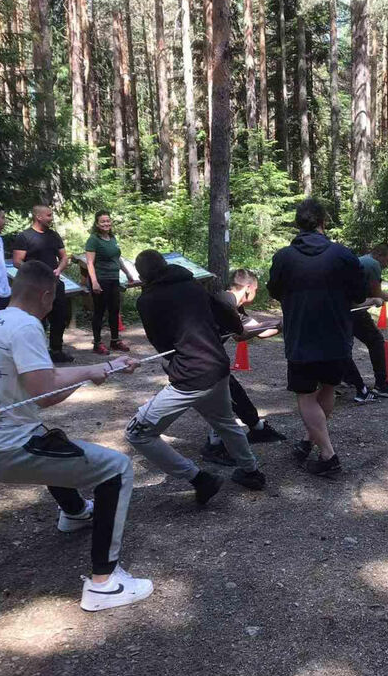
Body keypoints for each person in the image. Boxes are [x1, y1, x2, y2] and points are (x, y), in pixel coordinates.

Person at [0, 261, 149, 612]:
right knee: (117, 469)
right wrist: (94, 372)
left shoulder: (1, 319)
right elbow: (45, 394)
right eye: (54, 299)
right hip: (8, 448)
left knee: (57, 442)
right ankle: (104, 585)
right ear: (46, 295)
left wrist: (103, 368)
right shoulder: (26, 327)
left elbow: (38, 381)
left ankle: (76, 512)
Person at [125, 251, 266, 499]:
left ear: (141, 275)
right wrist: (236, 327)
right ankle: (251, 471)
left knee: (137, 433)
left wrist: (177, 363)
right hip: (218, 367)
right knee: (224, 421)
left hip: (191, 376)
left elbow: (160, 342)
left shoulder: (147, 301)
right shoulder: (192, 285)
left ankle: (199, 479)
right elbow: (223, 311)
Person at [267, 199, 367, 477]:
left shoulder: (284, 256)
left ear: (297, 224)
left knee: (306, 396)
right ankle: (308, 442)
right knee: (327, 389)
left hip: (302, 335)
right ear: (324, 222)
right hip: (337, 333)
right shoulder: (343, 255)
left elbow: (274, 291)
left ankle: (328, 455)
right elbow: (359, 294)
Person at [200, 268, 287, 465]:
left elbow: (257, 331)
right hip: (198, 360)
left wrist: (282, 324)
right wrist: (277, 323)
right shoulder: (223, 301)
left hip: (211, 359)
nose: (256, 293)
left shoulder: (234, 305)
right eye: (256, 289)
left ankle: (258, 429)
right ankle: (214, 446)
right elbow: (241, 334)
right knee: (222, 400)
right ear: (248, 288)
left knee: (234, 393)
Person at [341, 243, 388, 401]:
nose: (387, 265)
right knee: (376, 341)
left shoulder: (361, 260)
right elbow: (378, 293)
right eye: (387, 261)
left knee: (344, 346)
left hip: (341, 308)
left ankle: (346, 378)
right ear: (379, 255)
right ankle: (382, 385)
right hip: (352, 310)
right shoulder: (373, 264)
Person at [13, 205, 73, 364]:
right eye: (48, 215)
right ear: (38, 217)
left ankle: (56, 350)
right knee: (36, 319)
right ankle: (36, 352)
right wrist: (35, 273)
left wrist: (59, 269)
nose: (51, 218)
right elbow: (17, 261)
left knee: (60, 316)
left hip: (54, 283)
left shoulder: (54, 235)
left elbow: (64, 257)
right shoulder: (24, 236)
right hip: (34, 286)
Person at [84, 211, 137, 355]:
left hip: (114, 279)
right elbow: (89, 263)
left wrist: (127, 272)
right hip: (101, 279)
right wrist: (94, 282)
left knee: (114, 311)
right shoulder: (93, 240)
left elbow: (117, 258)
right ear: (97, 224)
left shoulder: (112, 238)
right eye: (102, 221)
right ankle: (97, 343)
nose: (106, 224)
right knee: (99, 312)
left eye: (108, 221)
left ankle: (115, 341)